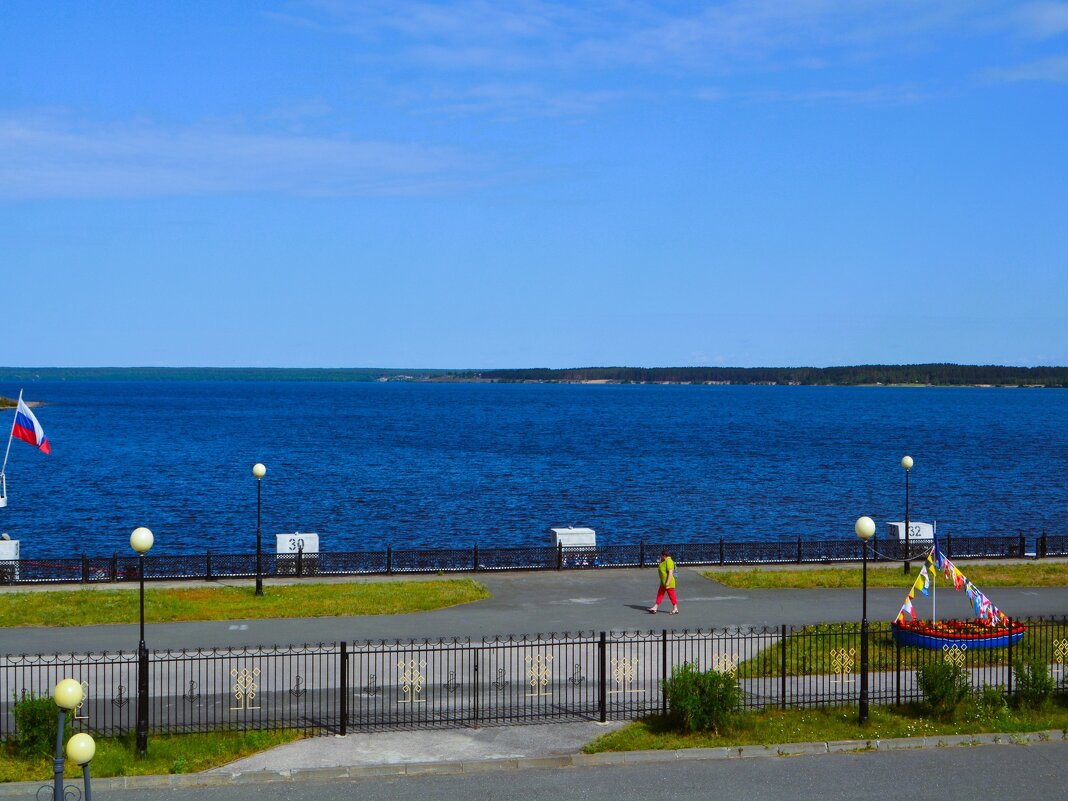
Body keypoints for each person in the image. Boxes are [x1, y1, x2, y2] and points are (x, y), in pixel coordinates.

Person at [648, 550, 678, 614]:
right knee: (660, 594)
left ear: (664, 555)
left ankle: (675, 608)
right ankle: (655, 608)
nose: (660, 556)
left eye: (661, 555)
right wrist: (661, 561)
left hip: (668, 582)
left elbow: (670, 573)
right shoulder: (664, 561)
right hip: (663, 582)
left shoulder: (669, 561)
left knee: (671, 595)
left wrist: (667, 582)